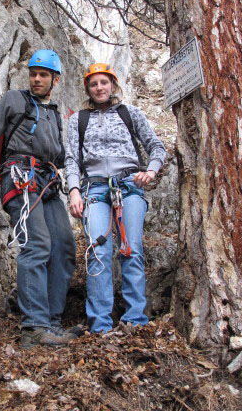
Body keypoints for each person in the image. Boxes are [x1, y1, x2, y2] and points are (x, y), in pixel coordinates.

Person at [0, 50, 78, 348]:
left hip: (49, 182)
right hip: (21, 177)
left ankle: (52, 322)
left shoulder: (53, 112)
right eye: (33, 73)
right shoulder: (14, 100)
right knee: (36, 244)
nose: (37, 79)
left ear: (55, 79)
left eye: (43, 75)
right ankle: (34, 327)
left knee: (64, 246)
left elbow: (61, 156)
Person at [65, 63, 166, 333]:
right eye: (94, 84)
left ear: (113, 85)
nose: (99, 88)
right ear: (87, 88)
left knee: (131, 249)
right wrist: (74, 190)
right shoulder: (78, 120)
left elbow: (156, 146)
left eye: (104, 82)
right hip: (94, 189)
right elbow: (72, 158)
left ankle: (135, 319)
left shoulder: (131, 113)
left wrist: (151, 171)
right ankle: (100, 324)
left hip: (129, 185)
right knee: (98, 251)